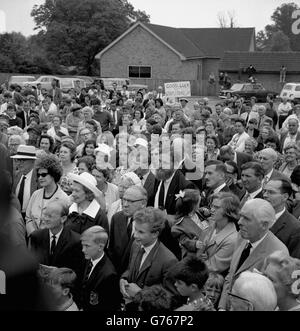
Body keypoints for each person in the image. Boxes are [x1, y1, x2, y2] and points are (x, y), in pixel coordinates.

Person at [218, 199, 288, 310]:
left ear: (264, 225)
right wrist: (222, 307)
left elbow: (272, 301)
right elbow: (231, 276)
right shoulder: (242, 236)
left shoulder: (278, 253)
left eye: (246, 218)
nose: (239, 222)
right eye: (241, 216)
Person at [120, 207, 178, 305]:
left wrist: (140, 294)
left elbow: (170, 298)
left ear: (155, 234)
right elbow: (130, 269)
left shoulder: (169, 261)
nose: (135, 236)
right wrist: (123, 279)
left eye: (141, 232)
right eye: (135, 230)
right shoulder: (136, 244)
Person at [30, 201, 84, 281]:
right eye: (45, 215)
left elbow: (77, 273)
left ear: (63, 219)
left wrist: (58, 273)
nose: (45, 219)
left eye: (50, 216)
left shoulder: (75, 241)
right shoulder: (36, 236)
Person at [25, 154, 70, 236]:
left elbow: (64, 225)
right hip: (33, 241)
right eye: (38, 175)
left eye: (44, 174)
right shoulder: (36, 194)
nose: (40, 178)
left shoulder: (64, 199)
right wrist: (33, 234)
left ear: (54, 174)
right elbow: (28, 218)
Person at [108, 185, 147, 275]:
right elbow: (111, 249)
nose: (125, 204)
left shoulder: (151, 223)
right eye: (124, 199)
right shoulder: (116, 218)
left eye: (130, 201)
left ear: (143, 204)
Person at [80, 226, 120, 311]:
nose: (83, 250)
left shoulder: (109, 275)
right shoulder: (88, 258)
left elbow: (108, 306)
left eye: (87, 246)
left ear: (100, 247)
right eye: (82, 245)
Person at [199, 192, 239, 276]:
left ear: (228, 211)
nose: (212, 210)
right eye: (212, 206)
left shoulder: (232, 240)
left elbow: (212, 267)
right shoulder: (210, 224)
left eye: (216, 207)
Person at [263, 179, 300, 259]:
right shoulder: (255, 214)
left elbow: (293, 262)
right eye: (265, 191)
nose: (265, 195)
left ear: (285, 197)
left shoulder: (295, 229)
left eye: (271, 192)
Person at [171, 189, 210, 259]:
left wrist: (205, 211)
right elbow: (183, 240)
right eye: (198, 203)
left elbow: (201, 211)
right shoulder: (181, 224)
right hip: (193, 255)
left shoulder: (197, 212)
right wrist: (194, 244)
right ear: (192, 206)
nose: (199, 205)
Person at [11, 145, 38, 219]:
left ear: (33, 161)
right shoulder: (15, 175)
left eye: (23, 160)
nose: (19, 163)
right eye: (18, 160)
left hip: (32, 218)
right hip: (15, 216)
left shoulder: (39, 178)